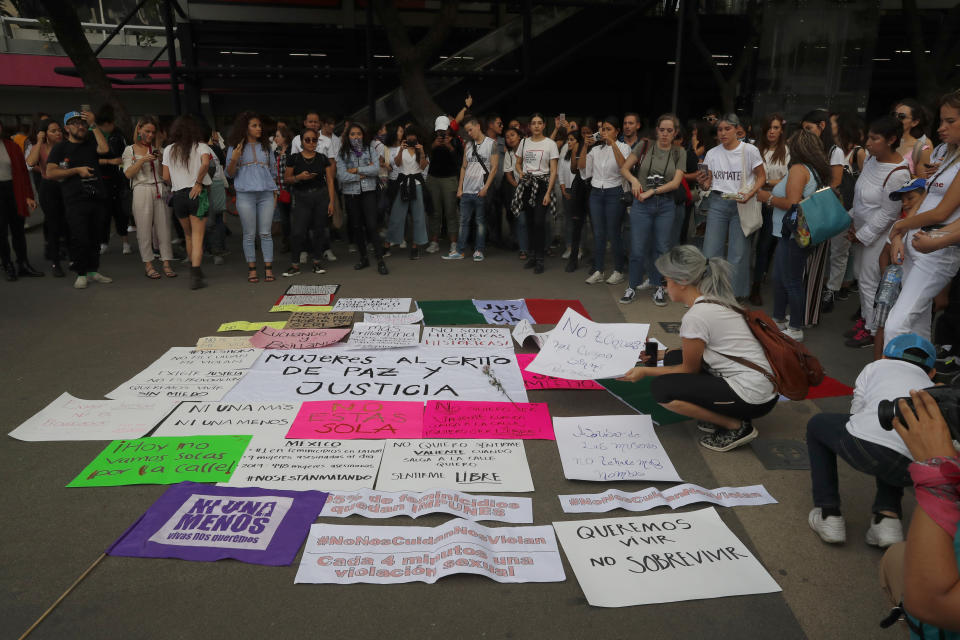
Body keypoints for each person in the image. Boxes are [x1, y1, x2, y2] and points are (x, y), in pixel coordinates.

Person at [619, 245, 778, 452]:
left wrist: (644, 371)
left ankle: (735, 426)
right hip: (761, 385)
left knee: (662, 389)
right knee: (672, 358)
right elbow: (699, 352)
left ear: (683, 282)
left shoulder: (696, 316)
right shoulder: (715, 299)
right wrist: (661, 354)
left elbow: (688, 370)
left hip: (753, 396)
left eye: (665, 281)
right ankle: (721, 412)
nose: (664, 287)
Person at [806, 334, 937, 547]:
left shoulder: (875, 367)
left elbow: (856, 413)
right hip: (915, 465)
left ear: (885, 356)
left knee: (817, 425)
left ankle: (829, 514)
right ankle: (887, 520)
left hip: (863, 446)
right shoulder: (932, 387)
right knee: (897, 444)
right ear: (931, 372)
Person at [885, 90, 960, 345]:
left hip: (938, 248)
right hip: (918, 242)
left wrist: (900, 226)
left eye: (950, 121)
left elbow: (942, 212)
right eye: (941, 121)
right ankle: (919, 381)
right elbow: (925, 198)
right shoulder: (945, 154)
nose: (942, 128)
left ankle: (891, 384)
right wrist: (901, 232)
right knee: (916, 326)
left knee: (895, 325)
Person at [886, 388, 960, 636]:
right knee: (896, 555)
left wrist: (937, 469)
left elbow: (932, 603)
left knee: (900, 563)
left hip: (937, 603)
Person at [842, 116, 911, 349]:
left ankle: (873, 331)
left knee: (871, 281)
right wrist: (851, 220)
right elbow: (862, 198)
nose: (868, 143)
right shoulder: (872, 159)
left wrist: (862, 235)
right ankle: (867, 320)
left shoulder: (898, 173)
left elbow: (889, 213)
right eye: (868, 137)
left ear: (891, 140)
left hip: (880, 236)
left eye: (874, 138)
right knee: (862, 278)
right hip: (862, 231)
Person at [756, 130, 830, 342]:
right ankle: (779, 319)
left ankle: (795, 327)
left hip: (793, 233)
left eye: (790, 145)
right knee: (780, 278)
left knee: (791, 280)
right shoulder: (813, 169)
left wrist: (767, 198)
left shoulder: (798, 169)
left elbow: (792, 203)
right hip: (793, 233)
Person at [697, 113, 766, 300]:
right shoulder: (712, 153)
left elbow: (761, 176)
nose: (723, 133)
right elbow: (707, 183)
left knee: (739, 252)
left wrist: (750, 194)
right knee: (711, 251)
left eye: (727, 128)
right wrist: (703, 182)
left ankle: (735, 295)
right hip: (718, 200)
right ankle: (711, 292)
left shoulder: (749, 150)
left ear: (737, 129)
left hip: (742, 202)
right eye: (720, 129)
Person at [620, 113, 685, 306]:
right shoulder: (644, 146)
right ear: (657, 130)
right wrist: (634, 181)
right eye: (662, 130)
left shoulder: (678, 152)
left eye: (669, 131)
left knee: (662, 248)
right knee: (638, 248)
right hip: (642, 203)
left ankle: (659, 287)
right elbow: (624, 168)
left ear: (675, 133)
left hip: (665, 204)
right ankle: (632, 285)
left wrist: (653, 191)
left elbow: (676, 183)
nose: (665, 134)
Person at [46, 110, 112, 289]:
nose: (80, 126)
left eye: (83, 123)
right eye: (76, 123)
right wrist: (76, 170)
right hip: (75, 200)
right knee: (80, 237)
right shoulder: (61, 148)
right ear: (67, 128)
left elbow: (104, 149)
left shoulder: (91, 142)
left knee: (95, 237)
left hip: (97, 197)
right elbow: (50, 172)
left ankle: (93, 270)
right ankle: (81, 273)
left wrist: (93, 125)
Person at [823, 112, 868, 313]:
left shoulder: (858, 153)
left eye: (832, 123)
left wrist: (856, 213)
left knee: (839, 252)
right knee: (829, 252)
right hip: (831, 207)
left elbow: (865, 183)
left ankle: (831, 291)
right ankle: (826, 286)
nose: (828, 127)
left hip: (846, 209)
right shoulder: (832, 150)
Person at [161, 114, 212, 290]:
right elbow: (206, 164)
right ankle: (196, 273)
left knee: (188, 235)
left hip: (178, 196)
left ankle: (193, 268)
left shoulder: (169, 149)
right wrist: (198, 182)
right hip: (196, 193)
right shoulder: (201, 146)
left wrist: (177, 182)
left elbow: (165, 177)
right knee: (198, 236)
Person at [122, 116, 175, 279]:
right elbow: (128, 174)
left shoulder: (160, 150)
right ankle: (148, 264)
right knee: (143, 229)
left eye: (153, 132)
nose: (150, 135)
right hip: (141, 189)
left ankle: (167, 262)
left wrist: (160, 160)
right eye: (147, 131)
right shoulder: (130, 150)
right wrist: (143, 160)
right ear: (139, 129)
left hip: (160, 187)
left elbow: (166, 177)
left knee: (164, 227)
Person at [227, 111, 277, 283]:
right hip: (245, 195)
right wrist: (234, 159)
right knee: (249, 234)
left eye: (259, 125)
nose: (259, 128)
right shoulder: (235, 147)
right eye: (254, 125)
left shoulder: (266, 147)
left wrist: (274, 193)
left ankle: (269, 269)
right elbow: (230, 174)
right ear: (245, 128)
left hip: (266, 194)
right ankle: (252, 269)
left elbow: (273, 172)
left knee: (265, 233)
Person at [581, 116, 630, 285]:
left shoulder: (624, 147)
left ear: (617, 132)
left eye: (609, 129)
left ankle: (618, 270)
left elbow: (623, 166)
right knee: (599, 233)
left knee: (613, 232)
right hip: (596, 192)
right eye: (603, 129)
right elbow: (583, 170)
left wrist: (613, 143)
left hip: (614, 192)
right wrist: (585, 147)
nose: (604, 132)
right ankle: (599, 270)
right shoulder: (596, 150)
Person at [284, 127, 336, 277]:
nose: (311, 142)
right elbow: (286, 179)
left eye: (314, 140)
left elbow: (330, 181)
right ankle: (295, 264)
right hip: (301, 196)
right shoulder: (294, 158)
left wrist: (331, 202)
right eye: (307, 140)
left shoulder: (322, 158)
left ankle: (317, 262)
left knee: (320, 230)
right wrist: (299, 177)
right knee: (298, 231)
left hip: (320, 196)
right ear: (301, 142)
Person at [511, 113, 558, 274]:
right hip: (527, 185)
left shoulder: (550, 144)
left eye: (539, 123)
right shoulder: (524, 142)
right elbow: (517, 163)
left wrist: (548, 193)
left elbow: (553, 171)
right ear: (529, 126)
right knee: (529, 222)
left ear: (544, 125)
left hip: (543, 185)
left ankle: (540, 258)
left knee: (539, 222)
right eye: (533, 123)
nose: (536, 126)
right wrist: (520, 172)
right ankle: (532, 255)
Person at [445, 117, 498, 261]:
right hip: (467, 190)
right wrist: (460, 188)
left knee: (480, 221)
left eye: (470, 129)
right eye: (467, 130)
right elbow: (463, 167)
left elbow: (494, 168)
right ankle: (460, 251)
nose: (469, 133)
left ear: (478, 126)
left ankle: (479, 250)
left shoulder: (491, 144)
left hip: (481, 189)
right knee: (464, 221)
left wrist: (486, 187)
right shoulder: (468, 145)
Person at [337, 122, 387, 274]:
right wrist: (362, 175)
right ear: (348, 136)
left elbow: (376, 169)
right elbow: (342, 175)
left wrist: (357, 170)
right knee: (357, 226)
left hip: (369, 192)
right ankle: (364, 258)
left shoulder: (370, 149)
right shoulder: (342, 153)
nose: (356, 137)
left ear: (363, 135)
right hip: (351, 194)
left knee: (372, 226)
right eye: (352, 134)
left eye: (358, 134)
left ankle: (380, 260)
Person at [751, 113, 790, 305]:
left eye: (775, 127)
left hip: (773, 203)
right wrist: (763, 182)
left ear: (781, 129)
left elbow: (789, 179)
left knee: (765, 246)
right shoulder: (755, 149)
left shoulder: (787, 151)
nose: (772, 131)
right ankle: (749, 281)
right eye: (769, 128)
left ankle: (756, 286)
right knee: (749, 245)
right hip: (753, 201)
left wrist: (764, 181)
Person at [25, 118, 67, 277]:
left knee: (68, 222)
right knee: (53, 225)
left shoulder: (66, 146)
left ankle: (73, 257)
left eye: (59, 130)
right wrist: (40, 140)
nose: (58, 133)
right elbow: (30, 162)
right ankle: (55, 261)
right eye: (53, 131)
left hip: (66, 186)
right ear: (45, 133)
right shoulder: (40, 147)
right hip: (48, 188)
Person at [0, 120, 40, 281]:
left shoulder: (11, 146)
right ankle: (7, 264)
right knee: (1, 232)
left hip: (13, 190)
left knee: (18, 230)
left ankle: (23, 263)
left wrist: (28, 196)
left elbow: (23, 173)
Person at [386, 126, 429, 259]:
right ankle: (387, 244)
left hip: (416, 183)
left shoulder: (421, 149)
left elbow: (422, 167)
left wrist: (421, 151)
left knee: (418, 217)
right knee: (396, 215)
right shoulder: (402, 148)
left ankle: (415, 247)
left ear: (417, 136)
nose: (410, 138)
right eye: (408, 135)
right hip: (403, 183)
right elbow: (397, 164)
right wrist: (400, 150)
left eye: (413, 135)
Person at [95, 105, 131, 256]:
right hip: (102, 180)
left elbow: (126, 154)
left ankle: (125, 241)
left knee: (120, 212)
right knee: (103, 214)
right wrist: (109, 162)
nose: (106, 128)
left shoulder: (118, 135)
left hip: (118, 179)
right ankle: (103, 242)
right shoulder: (94, 136)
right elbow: (91, 159)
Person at [427, 115, 462, 255]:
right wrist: (433, 146)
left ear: (449, 128)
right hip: (433, 178)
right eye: (439, 131)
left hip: (450, 179)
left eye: (443, 130)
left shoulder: (455, 141)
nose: (441, 134)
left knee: (451, 211)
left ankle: (454, 242)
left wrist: (449, 146)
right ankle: (434, 241)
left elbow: (459, 161)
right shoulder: (432, 140)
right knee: (435, 212)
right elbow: (422, 157)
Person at [501, 126, 526, 257]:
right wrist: (518, 186)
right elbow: (508, 175)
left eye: (512, 135)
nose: (509, 138)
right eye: (507, 136)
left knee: (535, 220)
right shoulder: (509, 154)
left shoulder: (528, 150)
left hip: (533, 187)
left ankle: (537, 247)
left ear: (520, 137)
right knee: (521, 220)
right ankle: (523, 249)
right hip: (519, 190)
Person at [892, 98, 931, 176]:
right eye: (894, 115)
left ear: (914, 122)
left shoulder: (920, 149)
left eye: (901, 116)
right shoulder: (884, 142)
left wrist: (904, 172)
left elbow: (921, 183)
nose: (896, 119)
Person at [272, 125, 293, 255]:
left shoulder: (292, 150)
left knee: (294, 218)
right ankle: (287, 243)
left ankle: (297, 243)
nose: (275, 138)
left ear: (285, 137)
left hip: (291, 189)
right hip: (280, 190)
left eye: (278, 136)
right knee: (284, 219)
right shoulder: (276, 152)